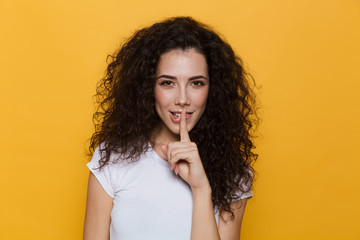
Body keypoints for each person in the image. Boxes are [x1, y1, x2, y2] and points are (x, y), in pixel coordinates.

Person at [83, 16, 258, 240]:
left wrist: (201, 188)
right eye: (168, 83)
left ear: (212, 90)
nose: (183, 99)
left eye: (196, 83)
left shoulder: (232, 173)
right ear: (149, 87)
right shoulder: (113, 159)